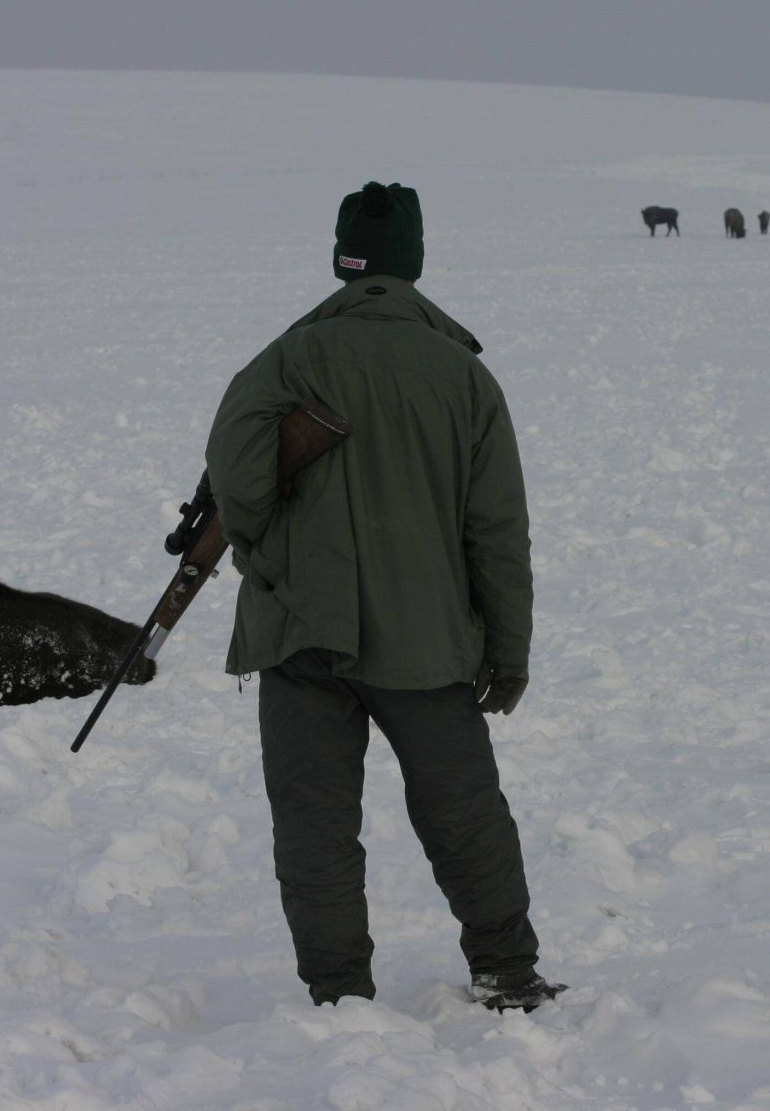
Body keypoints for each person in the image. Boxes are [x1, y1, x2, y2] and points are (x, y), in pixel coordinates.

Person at [203, 181, 562, 1012]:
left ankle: (338, 997)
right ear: (414, 263)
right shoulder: (465, 377)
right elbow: (498, 534)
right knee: (463, 807)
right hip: (426, 639)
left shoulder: (287, 358)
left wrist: (262, 551)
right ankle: (507, 971)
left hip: (300, 635)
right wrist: (507, 650)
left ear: (342, 260)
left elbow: (234, 470)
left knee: (314, 823)